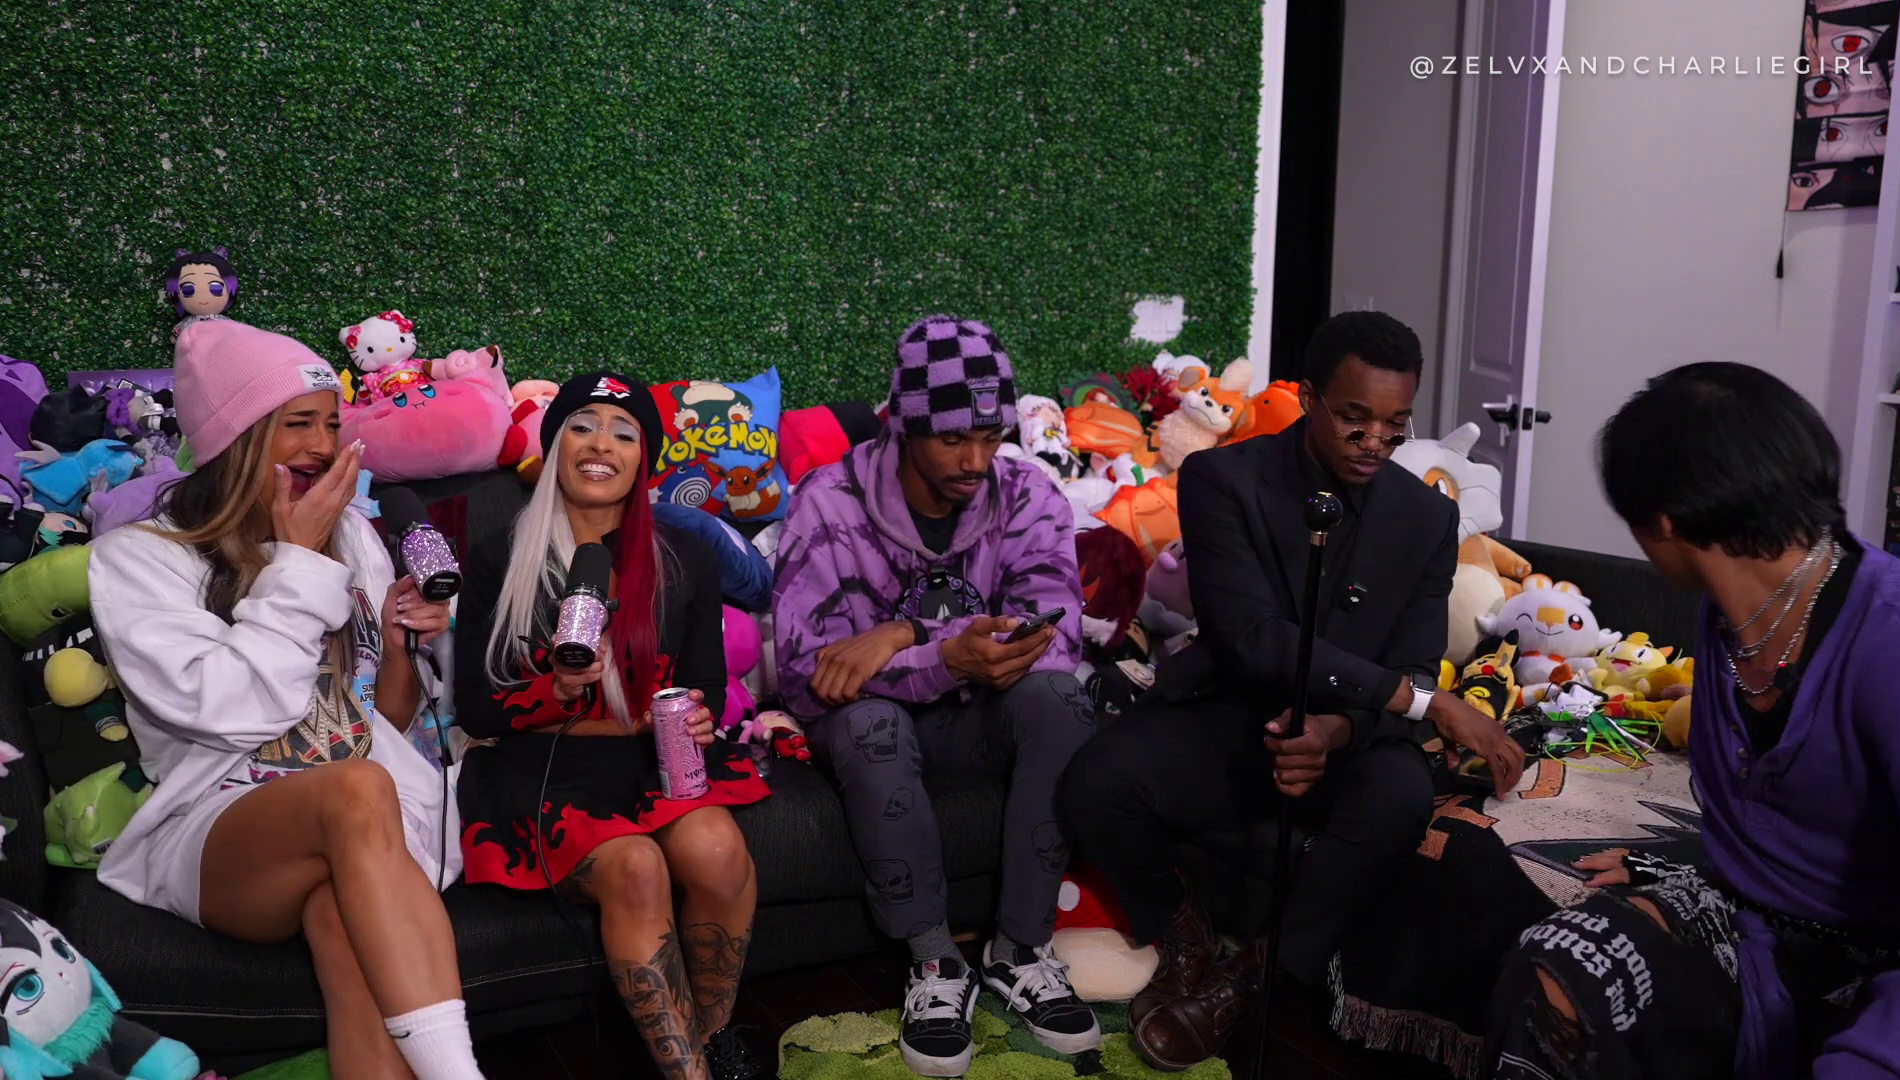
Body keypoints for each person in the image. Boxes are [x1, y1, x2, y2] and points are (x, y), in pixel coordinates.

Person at [1059, 311, 1527, 1071]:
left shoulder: (1427, 517)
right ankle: (1185, 940)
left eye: (1396, 425)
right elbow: (1251, 637)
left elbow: (1415, 662)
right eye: (1354, 419)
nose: (1374, 441)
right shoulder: (1221, 479)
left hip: (1354, 732)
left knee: (1400, 795)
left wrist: (1337, 732)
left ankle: (1252, 976)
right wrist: (1430, 703)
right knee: (1096, 779)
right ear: (1308, 398)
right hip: (1234, 713)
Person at [1482, 363, 1900, 1079]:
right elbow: (1775, 811)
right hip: (1756, 919)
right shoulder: (1728, 618)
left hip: (1875, 953)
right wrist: (1689, 865)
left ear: (1659, 523)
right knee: (1560, 972)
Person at [88, 320, 482, 1080]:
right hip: (220, 826)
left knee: (345, 923)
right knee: (356, 788)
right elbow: (237, 711)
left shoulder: (354, 540)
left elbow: (379, 724)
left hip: (359, 820)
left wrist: (398, 640)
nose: (322, 446)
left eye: (332, 424)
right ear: (233, 438)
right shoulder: (137, 559)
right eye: (298, 423)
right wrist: (297, 564)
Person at [772, 315, 1099, 1077]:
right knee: (871, 723)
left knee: (1062, 698)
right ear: (902, 422)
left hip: (977, 720)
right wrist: (948, 659)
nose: (976, 460)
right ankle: (933, 963)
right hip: (874, 726)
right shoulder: (829, 502)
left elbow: (1050, 636)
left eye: (991, 436)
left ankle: (1021, 950)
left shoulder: (1027, 492)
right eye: (953, 439)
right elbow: (811, 674)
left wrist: (905, 633)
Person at [454, 371, 772, 1080]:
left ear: (643, 459)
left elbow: (706, 684)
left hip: (654, 759)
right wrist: (556, 690)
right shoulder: (500, 555)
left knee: (718, 853)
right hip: (544, 769)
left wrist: (694, 716)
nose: (601, 444)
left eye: (623, 434)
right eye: (583, 427)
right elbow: (475, 706)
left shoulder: (686, 556)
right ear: (555, 446)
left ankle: (712, 1038)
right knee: (636, 866)